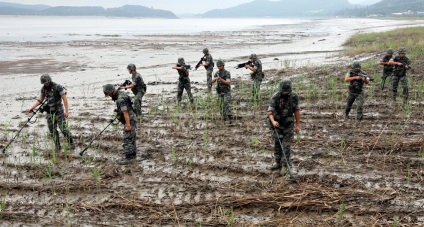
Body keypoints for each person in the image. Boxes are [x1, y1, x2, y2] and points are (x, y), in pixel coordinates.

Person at [28, 74, 74, 150]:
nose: (45, 84)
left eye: (46, 82)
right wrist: (32, 107)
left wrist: (66, 111)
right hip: (49, 112)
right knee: (52, 130)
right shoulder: (43, 89)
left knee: (63, 129)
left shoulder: (57, 87)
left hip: (59, 111)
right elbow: (40, 99)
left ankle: (71, 143)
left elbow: (64, 99)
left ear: (49, 80)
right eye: (44, 83)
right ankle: (57, 146)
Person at [267, 80, 300, 171]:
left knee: (286, 145)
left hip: (288, 124)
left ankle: (285, 165)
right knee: (277, 144)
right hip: (277, 124)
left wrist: (297, 125)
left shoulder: (294, 96)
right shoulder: (275, 97)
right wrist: (273, 122)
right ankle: (278, 163)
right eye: (283, 92)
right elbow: (270, 112)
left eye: (287, 92)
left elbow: (296, 111)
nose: (285, 93)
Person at [103, 84, 137, 164]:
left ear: (111, 92)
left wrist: (128, 125)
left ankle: (129, 158)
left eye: (109, 94)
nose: (109, 96)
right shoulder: (121, 93)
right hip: (131, 117)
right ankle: (133, 155)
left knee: (127, 138)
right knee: (131, 137)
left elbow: (125, 112)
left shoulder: (120, 99)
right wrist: (118, 110)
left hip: (129, 119)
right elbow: (127, 106)